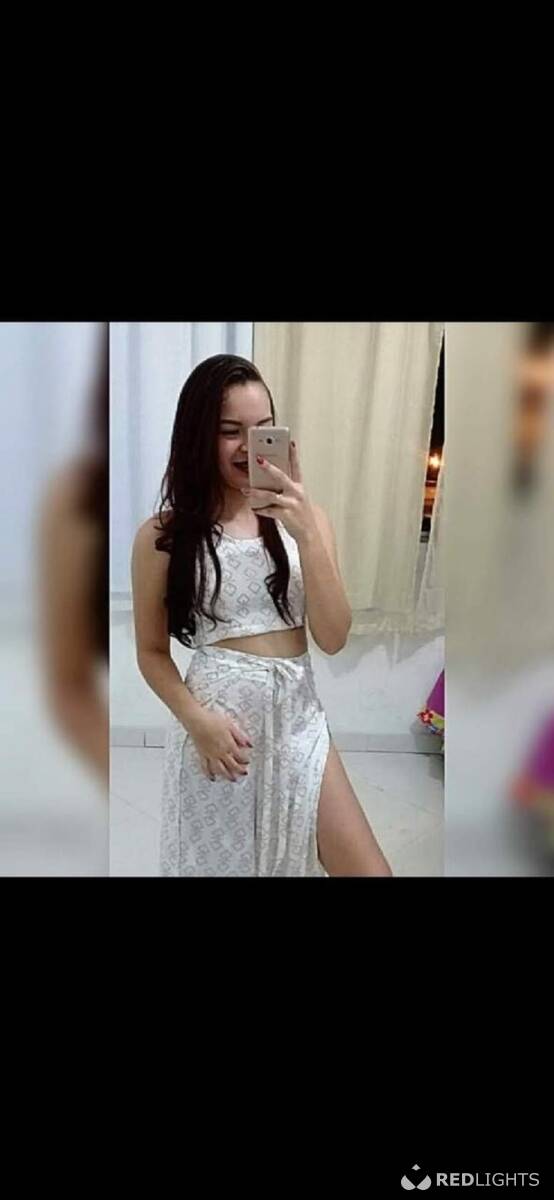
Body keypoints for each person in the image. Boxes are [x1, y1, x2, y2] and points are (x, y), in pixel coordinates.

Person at [131, 354, 392, 877]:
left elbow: (334, 637)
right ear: (197, 435)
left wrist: (307, 533)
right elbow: (151, 652)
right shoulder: (163, 535)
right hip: (220, 734)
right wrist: (196, 721)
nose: (249, 446)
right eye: (230, 431)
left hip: (300, 722)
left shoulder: (308, 522)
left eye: (263, 430)